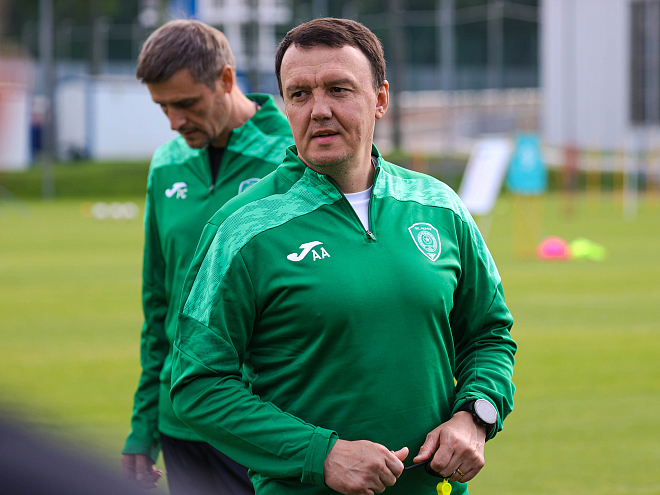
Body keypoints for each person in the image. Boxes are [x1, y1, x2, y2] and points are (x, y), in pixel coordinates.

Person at [171, 18, 516, 495]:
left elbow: (488, 333)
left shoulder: (439, 206)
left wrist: (475, 415)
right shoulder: (241, 228)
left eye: (339, 89)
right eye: (299, 94)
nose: (319, 110)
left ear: (380, 99)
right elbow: (198, 385)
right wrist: (322, 454)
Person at [121, 19, 293, 495]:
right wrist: (144, 425)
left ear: (226, 79)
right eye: (163, 107)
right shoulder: (166, 163)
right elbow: (159, 305)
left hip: (262, 420)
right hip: (180, 420)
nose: (175, 122)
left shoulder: (293, 153)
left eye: (186, 103)